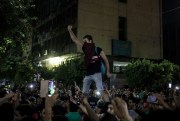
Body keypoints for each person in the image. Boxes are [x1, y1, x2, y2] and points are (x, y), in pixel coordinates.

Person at [67, 25, 110, 95]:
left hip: (97, 73)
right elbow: (75, 39)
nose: (85, 43)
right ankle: (85, 104)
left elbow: (106, 60)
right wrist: (70, 30)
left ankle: (104, 104)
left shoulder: (98, 49)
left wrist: (108, 71)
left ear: (90, 41)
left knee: (100, 90)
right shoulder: (85, 48)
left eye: (86, 41)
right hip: (88, 74)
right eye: (84, 42)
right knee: (84, 93)